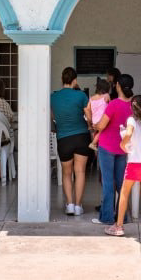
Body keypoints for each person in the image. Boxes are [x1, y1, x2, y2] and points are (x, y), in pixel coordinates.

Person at [107, 95, 141, 237]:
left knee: (124, 193)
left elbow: (130, 132)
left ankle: (118, 226)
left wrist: (122, 143)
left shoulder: (131, 120)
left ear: (132, 107)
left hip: (135, 163)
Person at [92, 74, 134, 226]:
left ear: (117, 86)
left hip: (107, 147)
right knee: (121, 183)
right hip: (123, 149)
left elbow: (102, 125)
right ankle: (123, 217)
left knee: (108, 182)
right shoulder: (133, 105)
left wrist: (94, 125)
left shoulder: (114, 104)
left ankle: (107, 217)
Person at [51, 67, 91, 216]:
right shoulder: (81, 96)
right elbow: (88, 115)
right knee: (80, 172)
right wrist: (91, 126)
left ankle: (69, 204)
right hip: (81, 136)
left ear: (62, 80)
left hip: (64, 138)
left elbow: (52, 117)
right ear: (75, 80)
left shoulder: (53, 97)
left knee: (67, 173)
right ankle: (78, 206)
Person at [85, 77, 111, 151]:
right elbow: (111, 106)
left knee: (96, 132)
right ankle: (93, 143)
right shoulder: (106, 96)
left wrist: (89, 123)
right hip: (102, 119)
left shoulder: (92, 98)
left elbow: (87, 109)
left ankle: (95, 141)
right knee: (102, 131)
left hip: (94, 119)